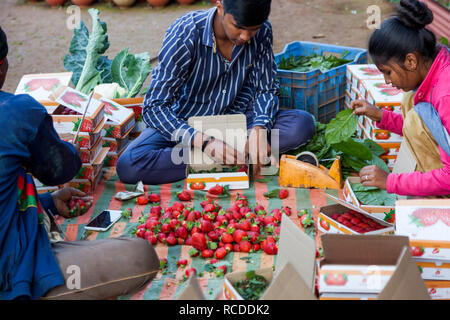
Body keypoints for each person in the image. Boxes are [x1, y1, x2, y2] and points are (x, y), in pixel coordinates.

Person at [0, 27, 159, 300]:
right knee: (140, 256)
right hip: (9, 273)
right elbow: (60, 169)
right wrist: (72, 150)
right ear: (2, 65)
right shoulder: (16, 112)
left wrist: (47, 202)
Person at [117, 0, 315, 185]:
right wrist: (204, 143)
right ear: (219, 5)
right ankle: (233, 156)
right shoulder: (186, 32)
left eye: (253, 30)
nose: (246, 37)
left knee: (301, 124)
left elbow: (266, 88)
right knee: (129, 165)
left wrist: (259, 129)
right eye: (238, 27)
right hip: (187, 122)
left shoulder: (262, 31)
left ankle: (224, 156)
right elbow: (154, 107)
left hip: (238, 120)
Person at [351, 0, 450, 197]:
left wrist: (390, 181)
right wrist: (381, 116)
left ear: (411, 61)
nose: (387, 81)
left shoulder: (446, 96)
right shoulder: (436, 66)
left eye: (388, 72)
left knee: (414, 117)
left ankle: (440, 201)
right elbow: (433, 130)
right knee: (409, 101)